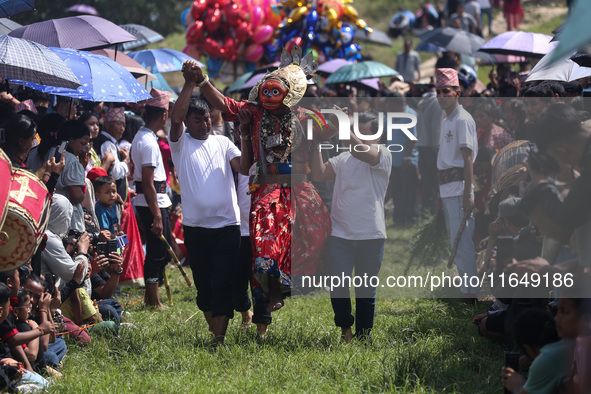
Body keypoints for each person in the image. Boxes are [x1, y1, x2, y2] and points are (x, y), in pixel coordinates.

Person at [185, 48, 331, 325]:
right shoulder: (253, 112)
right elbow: (226, 105)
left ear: (290, 93)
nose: (270, 95)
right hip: (267, 191)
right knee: (265, 243)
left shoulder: (308, 117)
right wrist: (203, 81)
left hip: (301, 190)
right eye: (268, 89)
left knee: (317, 234)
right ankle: (271, 294)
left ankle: (298, 284)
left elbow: (333, 131)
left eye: (277, 91)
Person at [170, 69, 246, 344]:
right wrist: (191, 82)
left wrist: (246, 135)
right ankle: (216, 332)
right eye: (197, 120)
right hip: (195, 227)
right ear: (188, 123)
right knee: (203, 285)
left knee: (223, 281)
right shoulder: (180, 144)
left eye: (206, 119)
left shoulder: (223, 142)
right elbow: (175, 118)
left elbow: (243, 167)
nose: (204, 124)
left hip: (227, 225)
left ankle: (219, 337)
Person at [310, 111, 392, 343]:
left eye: (368, 134)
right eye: (358, 133)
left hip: (372, 236)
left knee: (366, 292)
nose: (362, 138)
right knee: (339, 286)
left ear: (379, 136)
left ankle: (364, 337)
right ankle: (346, 330)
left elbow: (359, 150)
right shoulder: (343, 158)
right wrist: (316, 142)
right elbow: (318, 173)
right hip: (340, 235)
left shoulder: (383, 155)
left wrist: (341, 124)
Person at [436, 68, 479, 301]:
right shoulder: (447, 120)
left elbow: (467, 159)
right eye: (438, 91)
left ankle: (470, 292)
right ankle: (466, 286)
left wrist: (467, 193)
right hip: (447, 187)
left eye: (446, 91)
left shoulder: (462, 119)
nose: (442, 96)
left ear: (457, 92)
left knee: (463, 242)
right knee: (456, 239)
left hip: (459, 187)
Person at [131, 88, 173, 310]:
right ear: (163, 115)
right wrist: (156, 214)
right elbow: (147, 183)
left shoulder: (146, 138)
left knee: (160, 251)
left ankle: (151, 299)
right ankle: (153, 302)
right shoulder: (146, 141)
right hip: (151, 202)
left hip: (156, 200)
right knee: (156, 252)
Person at [501, 307, 575, 394]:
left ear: (528, 348)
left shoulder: (547, 358)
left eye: (564, 311)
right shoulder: (573, 343)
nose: (556, 317)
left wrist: (518, 387)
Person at [386, 92, 419, 227]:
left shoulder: (410, 115)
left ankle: (411, 219)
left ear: (396, 103)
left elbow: (412, 139)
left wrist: (407, 157)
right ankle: (398, 219)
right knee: (396, 191)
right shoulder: (390, 115)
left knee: (408, 191)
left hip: (407, 161)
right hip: (393, 160)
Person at [416, 84, 444, 217]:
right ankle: (433, 210)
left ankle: (425, 209)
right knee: (434, 180)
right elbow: (436, 128)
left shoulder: (421, 103)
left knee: (426, 181)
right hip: (432, 148)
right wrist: (437, 148)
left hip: (421, 146)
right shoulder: (437, 103)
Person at [93, 107, 129, 202]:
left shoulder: (111, 143)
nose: (122, 128)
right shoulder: (107, 144)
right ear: (107, 125)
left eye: (123, 125)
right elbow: (116, 173)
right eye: (118, 124)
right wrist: (125, 161)